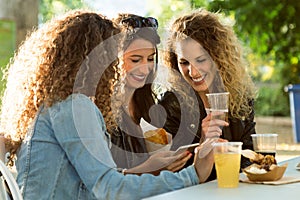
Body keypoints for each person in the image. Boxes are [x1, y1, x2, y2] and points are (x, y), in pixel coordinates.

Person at [0, 10, 216, 199]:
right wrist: (193, 174)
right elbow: (110, 189)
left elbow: (99, 181)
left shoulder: (56, 103)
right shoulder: (74, 107)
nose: (113, 67)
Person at [162, 8, 257, 180]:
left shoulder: (240, 97)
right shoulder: (172, 104)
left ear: (218, 57)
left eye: (200, 60)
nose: (193, 72)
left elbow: (252, 157)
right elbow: (174, 174)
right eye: (184, 62)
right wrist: (204, 144)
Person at [107, 13, 193, 175]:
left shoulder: (147, 104)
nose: (145, 68)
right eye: (135, 59)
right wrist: (150, 169)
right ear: (114, 59)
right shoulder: (102, 110)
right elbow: (101, 182)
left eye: (150, 59)